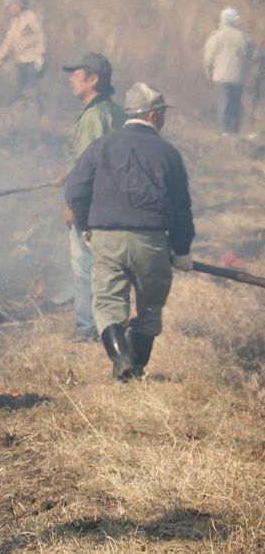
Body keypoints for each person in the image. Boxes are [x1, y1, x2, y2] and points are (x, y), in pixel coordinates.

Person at [64, 83, 195, 381]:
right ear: (152, 116)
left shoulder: (102, 146)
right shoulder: (168, 152)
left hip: (106, 239)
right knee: (149, 310)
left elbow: (74, 191)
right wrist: (182, 250)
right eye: (161, 114)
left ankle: (121, 359)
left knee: (108, 306)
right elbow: (181, 207)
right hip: (151, 241)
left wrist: (87, 226)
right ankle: (134, 368)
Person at [58, 52, 125, 343]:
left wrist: (74, 205)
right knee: (107, 268)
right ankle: (109, 326)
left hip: (91, 206)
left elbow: (90, 166)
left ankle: (88, 328)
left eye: (77, 74)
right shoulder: (111, 111)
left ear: (93, 79)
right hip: (111, 204)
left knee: (84, 266)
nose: (71, 79)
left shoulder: (95, 116)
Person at [0, 0, 47, 112]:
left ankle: (39, 116)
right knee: (22, 89)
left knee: (31, 90)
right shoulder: (14, 23)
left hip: (34, 60)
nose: (9, 8)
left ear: (19, 5)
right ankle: (27, 115)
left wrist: (41, 56)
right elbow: (7, 43)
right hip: (23, 61)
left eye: (11, 5)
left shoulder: (31, 17)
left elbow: (41, 36)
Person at [202, 6, 254, 135]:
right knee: (235, 104)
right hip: (238, 77)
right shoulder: (243, 38)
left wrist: (208, 74)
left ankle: (225, 130)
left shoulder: (215, 37)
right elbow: (251, 55)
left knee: (224, 103)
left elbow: (208, 58)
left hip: (221, 77)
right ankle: (235, 130)